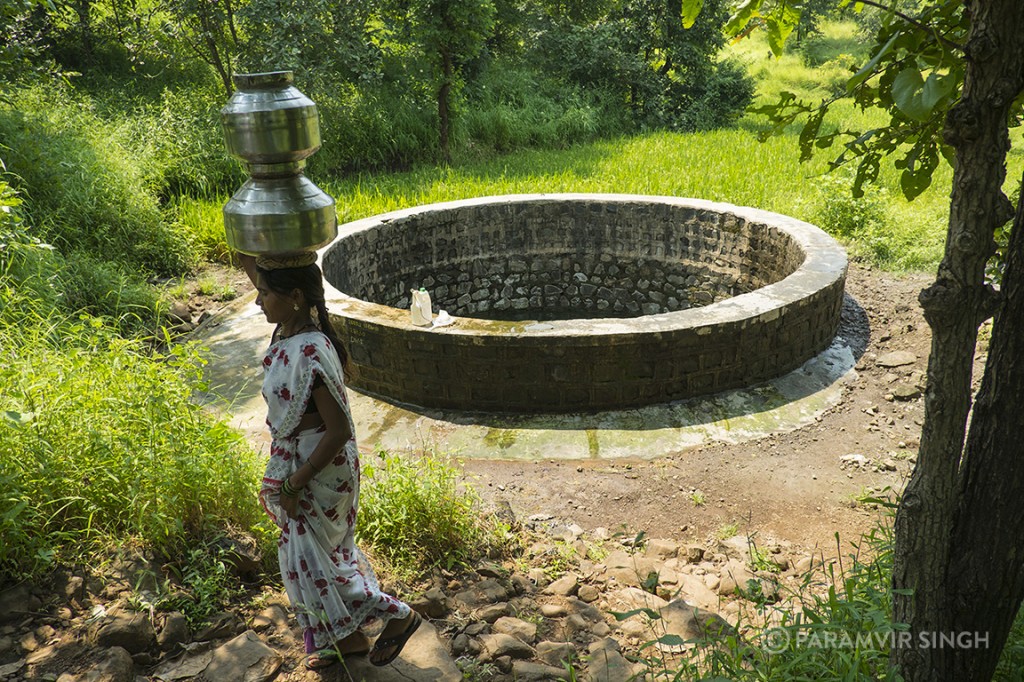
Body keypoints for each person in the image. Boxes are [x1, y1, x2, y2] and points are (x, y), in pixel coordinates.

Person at [238, 251, 421, 670]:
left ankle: (399, 615)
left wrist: (293, 483)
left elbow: (338, 431)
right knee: (318, 555)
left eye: (265, 293)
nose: (256, 300)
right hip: (308, 461)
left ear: (295, 295)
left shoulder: (311, 351)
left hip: (321, 467)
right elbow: (249, 262)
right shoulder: (289, 330)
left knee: (312, 561)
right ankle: (350, 639)